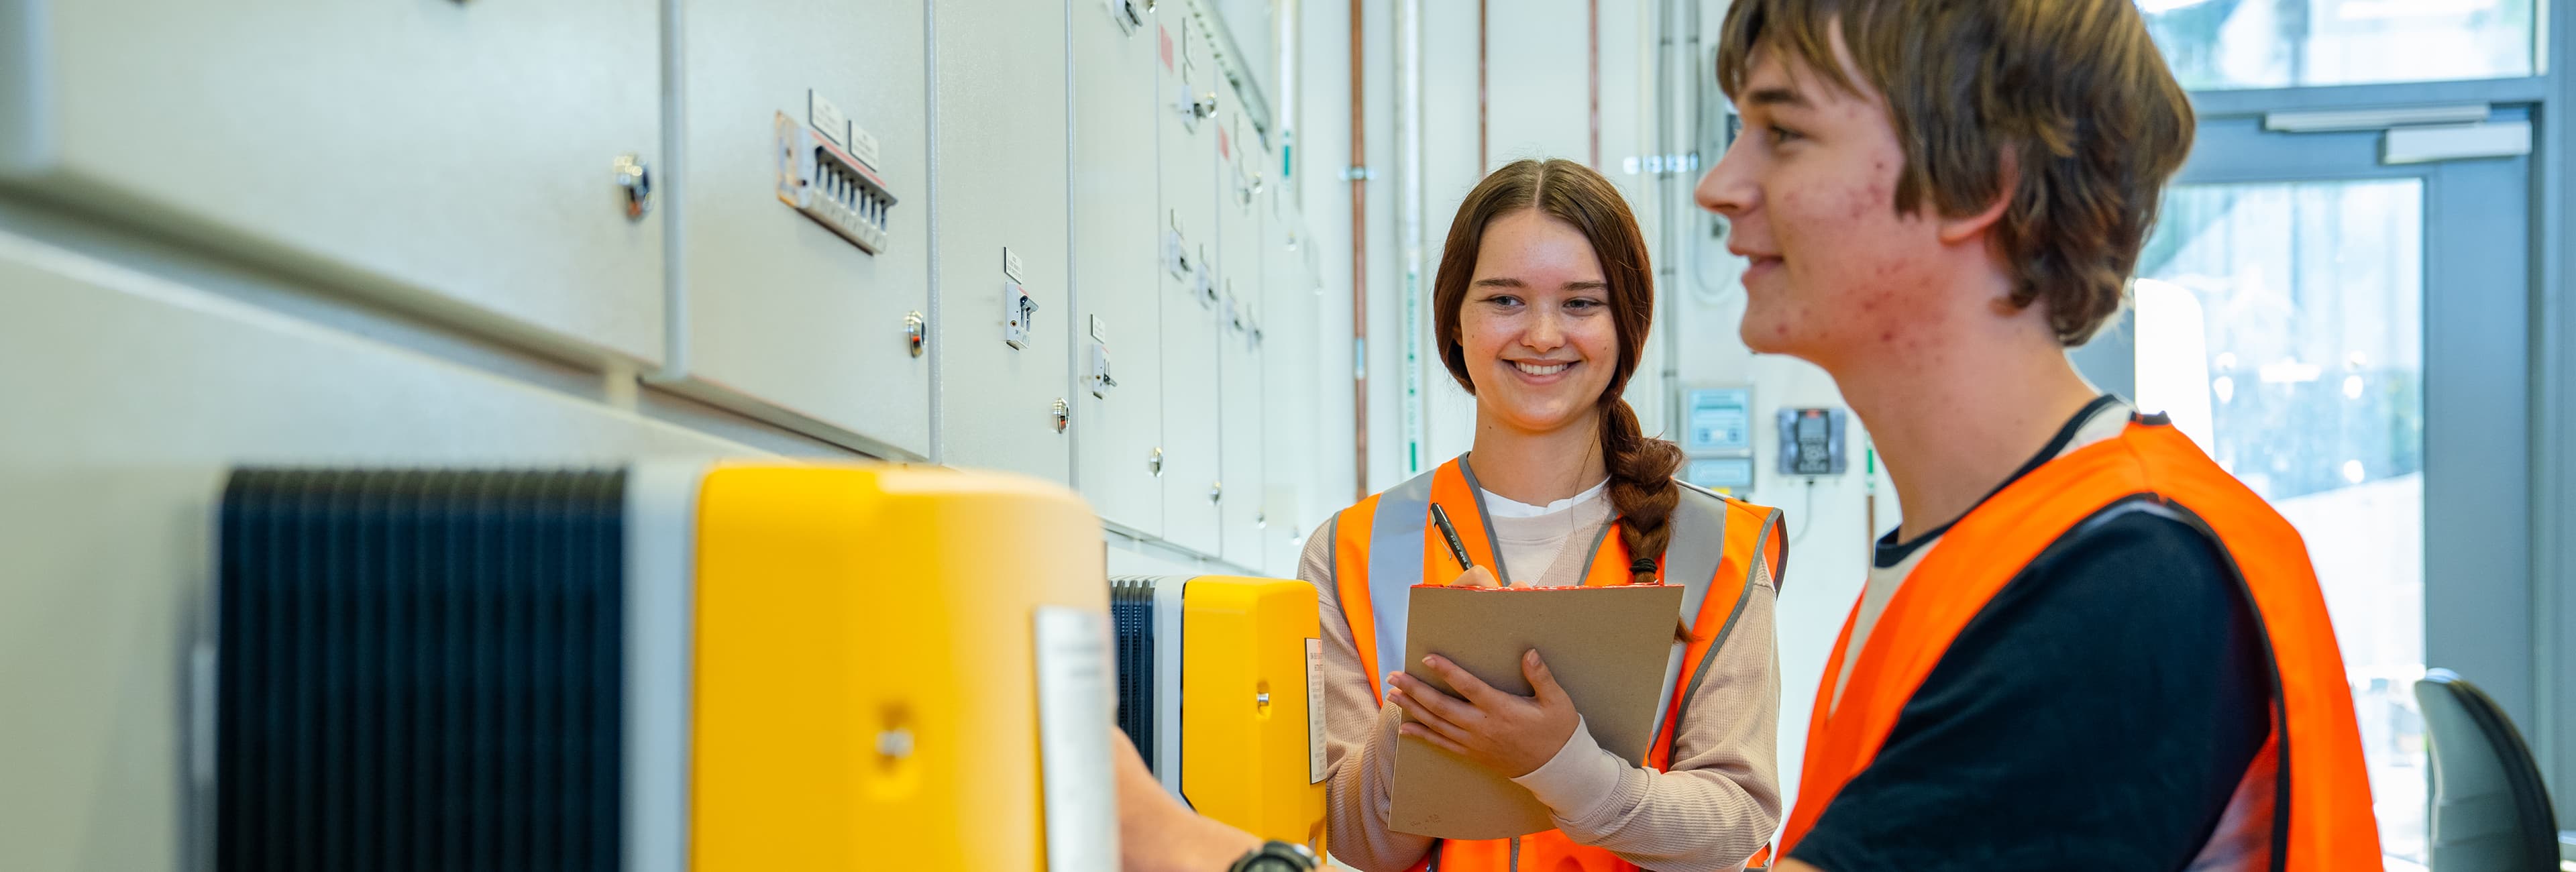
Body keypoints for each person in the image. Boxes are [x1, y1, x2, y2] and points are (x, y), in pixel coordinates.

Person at [1694, 1, 2382, 869]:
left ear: (1981, 182)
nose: (1717, 184)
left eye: (1782, 133)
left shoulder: (2127, 583)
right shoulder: (1975, 561)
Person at [1301, 158, 1788, 872]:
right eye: (1505, 299)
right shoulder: (1354, 551)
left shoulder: (1719, 548)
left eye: (1582, 303)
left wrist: (1567, 768)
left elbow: (1734, 824)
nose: (1541, 334)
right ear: (1454, 321)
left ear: (1627, 324)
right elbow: (1358, 841)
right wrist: (1425, 704)